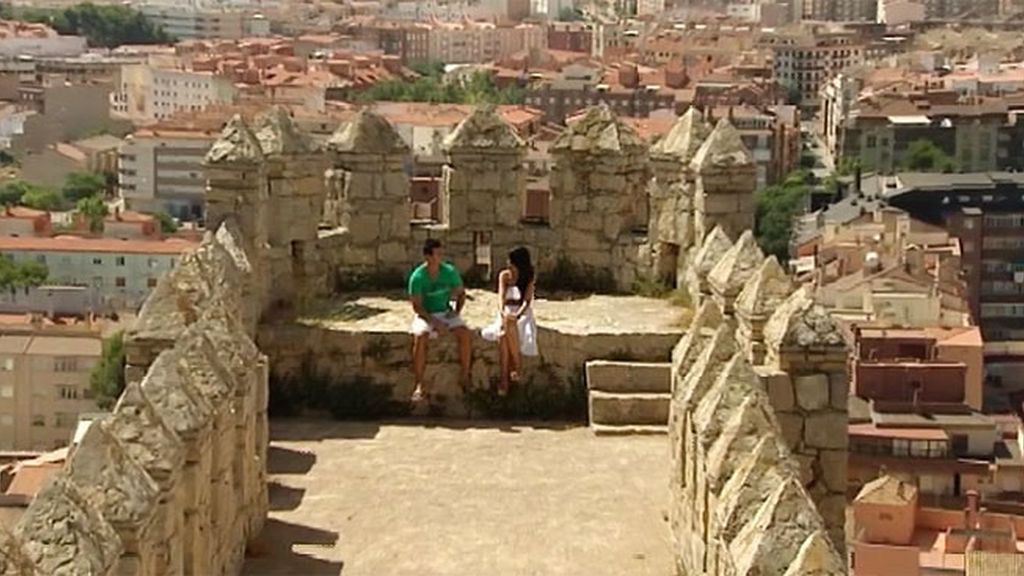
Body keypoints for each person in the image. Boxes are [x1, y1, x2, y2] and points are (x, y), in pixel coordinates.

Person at [408, 238, 471, 402]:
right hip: (426, 314)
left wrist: (456, 312)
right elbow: (417, 306)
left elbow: (461, 293)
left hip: (445, 311)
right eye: (437, 254)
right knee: (420, 337)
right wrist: (434, 322)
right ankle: (420, 383)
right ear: (427, 257)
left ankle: (465, 375)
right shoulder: (418, 277)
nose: (440, 257)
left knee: (464, 333)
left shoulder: (449, 271)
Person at [481, 246, 538, 396]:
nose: (508, 264)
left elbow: (527, 301)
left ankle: (507, 376)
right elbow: (500, 297)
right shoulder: (504, 276)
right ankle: (513, 369)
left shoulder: (529, 277)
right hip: (506, 310)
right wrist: (502, 312)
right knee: (504, 330)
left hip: (522, 312)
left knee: (506, 331)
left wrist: (518, 315)